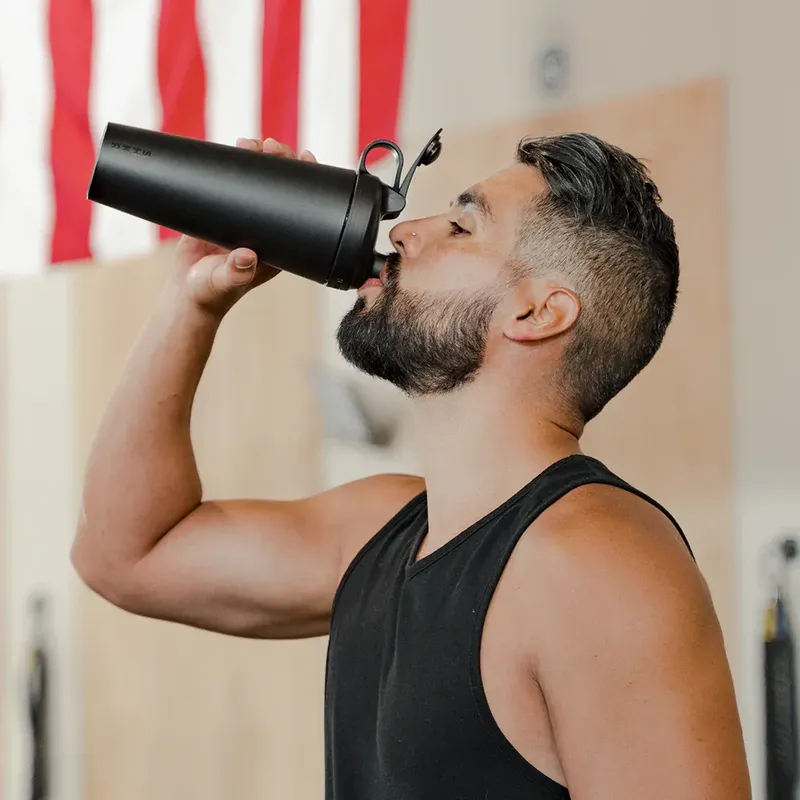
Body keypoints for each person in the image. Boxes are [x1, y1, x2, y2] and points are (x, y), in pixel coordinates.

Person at [72, 133, 751, 800]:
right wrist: (190, 301)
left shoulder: (600, 561)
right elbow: (125, 554)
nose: (404, 232)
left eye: (460, 226)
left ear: (538, 312)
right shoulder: (380, 528)